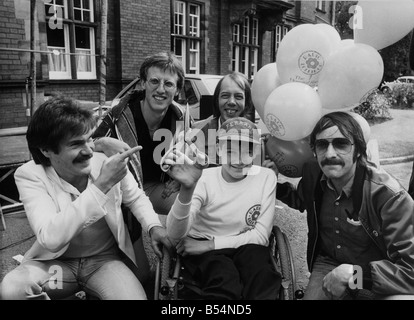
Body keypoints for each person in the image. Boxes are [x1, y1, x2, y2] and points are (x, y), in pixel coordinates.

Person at [0, 96, 172, 300]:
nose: (89, 150)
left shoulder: (106, 162)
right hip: (56, 265)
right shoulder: (29, 174)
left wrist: (154, 226)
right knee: (12, 289)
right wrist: (101, 186)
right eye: (76, 144)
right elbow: (50, 238)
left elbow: (135, 198)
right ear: (45, 150)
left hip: (103, 263)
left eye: (90, 139)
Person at [276, 111, 414, 300]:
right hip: (328, 263)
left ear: (358, 150)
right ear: (314, 150)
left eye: (341, 144)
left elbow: (410, 271)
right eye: (322, 145)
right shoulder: (313, 174)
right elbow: (301, 200)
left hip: (374, 272)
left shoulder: (389, 196)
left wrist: (355, 276)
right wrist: (270, 182)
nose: (330, 153)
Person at [164, 117, 282, 300]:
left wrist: (210, 244)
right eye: (230, 151)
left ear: (256, 151)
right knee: (223, 277)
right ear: (218, 150)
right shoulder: (203, 178)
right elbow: (174, 234)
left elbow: (260, 237)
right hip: (205, 246)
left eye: (247, 151)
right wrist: (187, 189)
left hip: (237, 245)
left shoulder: (266, 178)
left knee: (261, 272)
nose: (238, 160)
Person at [93, 51, 188, 216]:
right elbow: (87, 144)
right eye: (154, 81)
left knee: (190, 205)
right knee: (130, 240)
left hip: (155, 188)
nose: (160, 89)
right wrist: (102, 142)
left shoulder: (181, 117)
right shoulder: (120, 114)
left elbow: (193, 150)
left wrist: (181, 179)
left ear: (178, 89)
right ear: (143, 83)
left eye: (169, 84)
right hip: (119, 191)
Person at [192, 71, 275, 171]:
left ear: (247, 102)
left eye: (238, 97)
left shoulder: (258, 137)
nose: (231, 102)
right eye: (225, 95)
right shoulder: (197, 132)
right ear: (217, 100)